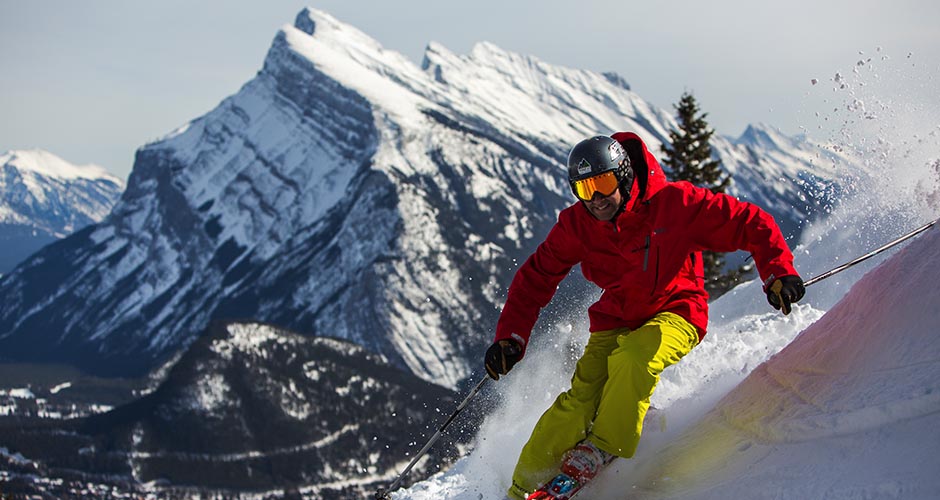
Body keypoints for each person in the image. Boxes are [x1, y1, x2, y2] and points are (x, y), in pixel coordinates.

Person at [483, 132, 805, 499]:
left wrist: (778, 270)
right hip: (617, 315)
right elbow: (536, 277)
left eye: (603, 184)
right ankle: (521, 487)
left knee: (636, 355)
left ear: (623, 174)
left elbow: (749, 221)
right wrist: (511, 337)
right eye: (585, 190)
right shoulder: (578, 225)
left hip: (678, 310)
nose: (597, 199)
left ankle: (603, 445)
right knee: (581, 398)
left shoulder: (675, 205)